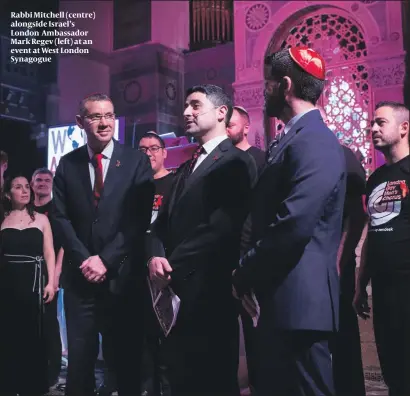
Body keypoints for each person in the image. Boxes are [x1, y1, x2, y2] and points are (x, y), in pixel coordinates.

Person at [232, 47, 346, 396]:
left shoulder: (314, 140)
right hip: (282, 300)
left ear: (284, 86)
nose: (264, 92)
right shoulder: (293, 136)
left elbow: (293, 224)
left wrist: (244, 271)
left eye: (268, 85)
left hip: (301, 304)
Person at [148, 84, 257, 396]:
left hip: (212, 290)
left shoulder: (236, 160)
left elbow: (222, 227)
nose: (186, 112)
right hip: (177, 290)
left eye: (195, 105)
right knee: (181, 379)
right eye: (185, 106)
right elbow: (159, 225)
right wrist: (154, 255)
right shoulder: (184, 167)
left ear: (222, 112)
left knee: (214, 380)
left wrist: (172, 263)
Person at [53, 93, 155, 396]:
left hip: (121, 281)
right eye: (96, 116)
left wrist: (106, 260)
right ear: (80, 122)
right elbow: (60, 218)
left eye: (109, 115)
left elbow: (137, 219)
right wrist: (85, 260)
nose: (104, 123)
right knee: (79, 367)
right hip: (80, 282)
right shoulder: (68, 164)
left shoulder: (136, 161)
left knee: (125, 365)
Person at [354, 101, 410, 396]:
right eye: (371, 123)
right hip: (384, 289)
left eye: (380, 122)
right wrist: (360, 284)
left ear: (404, 128)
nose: (373, 128)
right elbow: (373, 233)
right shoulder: (376, 179)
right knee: (393, 370)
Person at [317, 105, 366, 396]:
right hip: (315, 266)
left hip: (337, 265)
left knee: (343, 339)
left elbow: (357, 215)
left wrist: (338, 262)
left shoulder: (344, 156)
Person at [0, 174, 56, 396]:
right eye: (17, 187)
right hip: (7, 283)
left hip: (34, 283)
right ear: (7, 193)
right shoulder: (2, 219)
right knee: (8, 333)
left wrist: (51, 282)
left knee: (33, 334)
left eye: (26, 187)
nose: (25, 190)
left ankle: (32, 386)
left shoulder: (41, 219)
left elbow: (49, 252)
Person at [31, 167, 64, 389]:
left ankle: (51, 373)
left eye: (46, 180)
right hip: (25, 272)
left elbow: (62, 246)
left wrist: (56, 276)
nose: (42, 183)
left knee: (50, 324)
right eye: (38, 180)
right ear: (32, 184)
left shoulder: (57, 209)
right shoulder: (23, 209)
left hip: (49, 272)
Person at [139, 131, 175, 224]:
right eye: (143, 150)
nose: (148, 153)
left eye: (154, 148)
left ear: (164, 153)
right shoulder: (134, 184)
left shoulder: (176, 183)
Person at [227, 106, 266, 174]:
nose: (225, 130)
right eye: (224, 126)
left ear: (246, 129)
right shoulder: (221, 158)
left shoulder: (261, 159)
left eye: (230, 126)